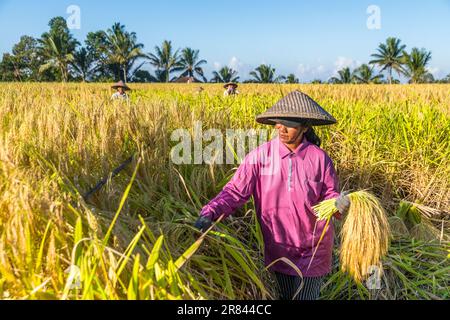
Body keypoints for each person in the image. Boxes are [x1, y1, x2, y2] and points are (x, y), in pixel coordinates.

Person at [194, 90, 350, 300]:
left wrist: (338, 204)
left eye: (289, 123)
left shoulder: (320, 159)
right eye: (279, 122)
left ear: (305, 127)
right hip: (279, 248)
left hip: (314, 249)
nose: (281, 128)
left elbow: (330, 195)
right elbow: (234, 192)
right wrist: (209, 213)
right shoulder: (260, 157)